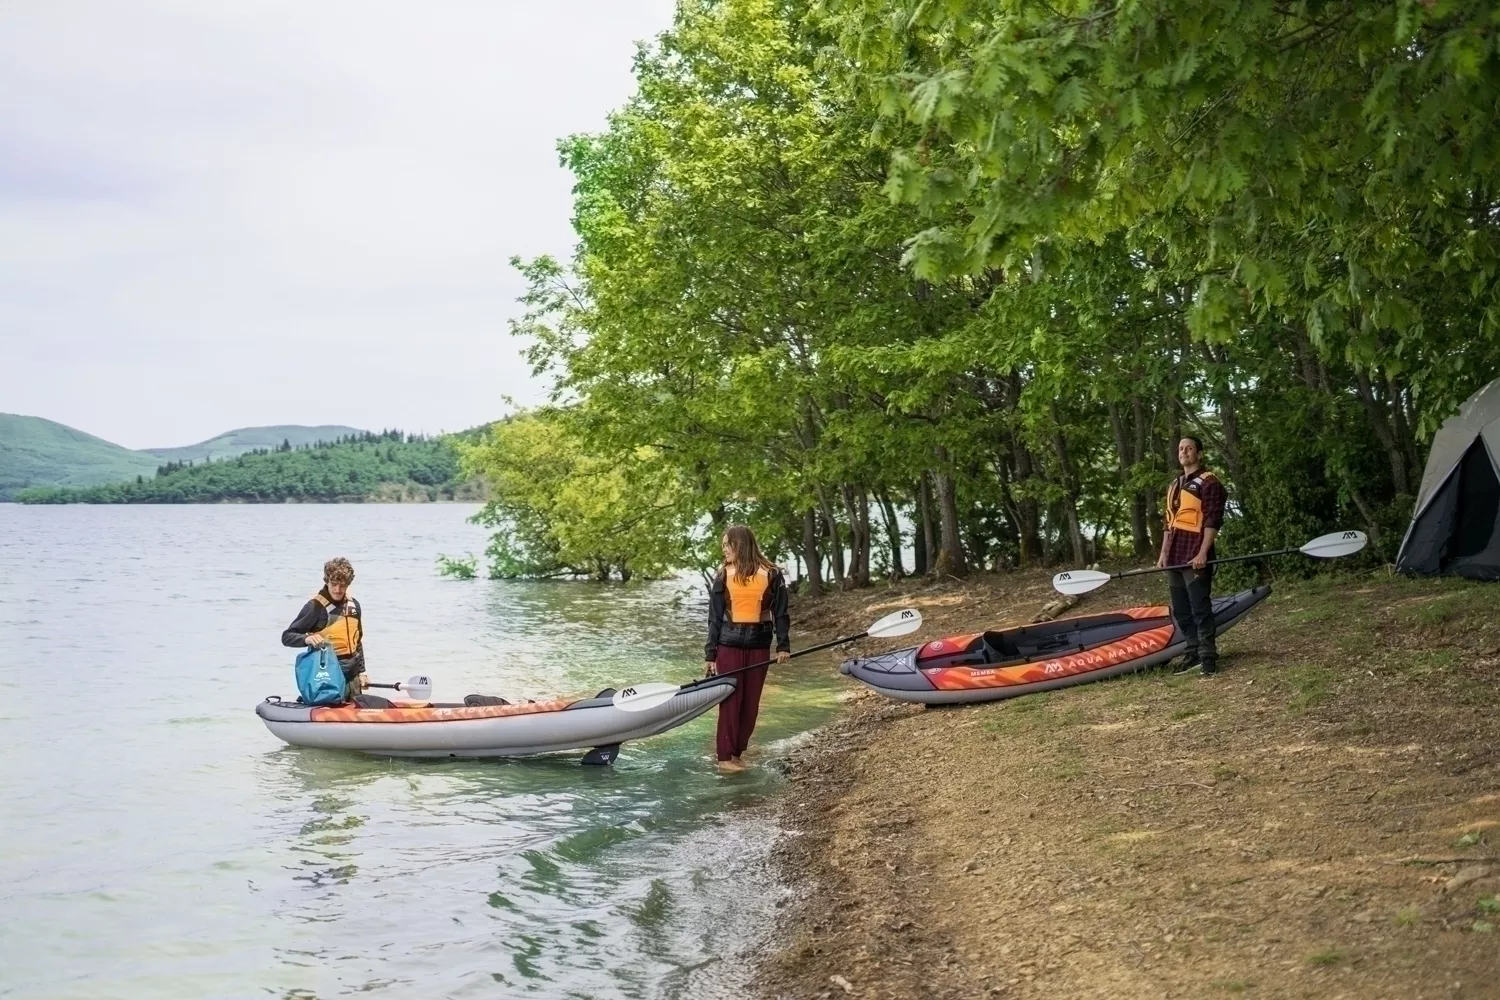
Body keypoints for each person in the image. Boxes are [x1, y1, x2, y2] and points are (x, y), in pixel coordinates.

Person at [704, 525, 791, 773]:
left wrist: (783, 646)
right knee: (731, 702)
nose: (723, 549)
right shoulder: (722, 575)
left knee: (751, 704)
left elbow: (781, 613)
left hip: (759, 646)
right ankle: (724, 758)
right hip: (728, 646)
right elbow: (714, 618)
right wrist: (710, 654)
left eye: (726, 544)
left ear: (740, 545)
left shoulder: (772, 573)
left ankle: (737, 753)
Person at [1157, 436, 1227, 676]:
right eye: (1180, 448)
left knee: (1199, 606)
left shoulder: (1210, 483)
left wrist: (1203, 552)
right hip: (1175, 554)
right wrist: (1163, 554)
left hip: (1195, 553)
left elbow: (1213, 519)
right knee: (1181, 609)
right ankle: (1193, 651)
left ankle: (1208, 657)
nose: (1184, 452)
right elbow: (1169, 522)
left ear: (1199, 453)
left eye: (1189, 448)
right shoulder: (1174, 485)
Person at [282, 557, 367, 701]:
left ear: (348, 584)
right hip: (328, 676)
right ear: (326, 581)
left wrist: (362, 672)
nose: (338, 590)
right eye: (333, 584)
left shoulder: (354, 606)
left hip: (352, 678)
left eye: (342, 585)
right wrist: (306, 639)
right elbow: (287, 637)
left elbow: (357, 641)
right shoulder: (315, 607)